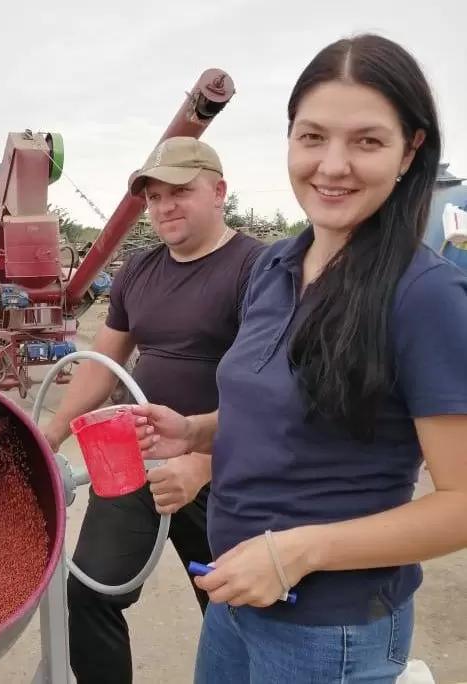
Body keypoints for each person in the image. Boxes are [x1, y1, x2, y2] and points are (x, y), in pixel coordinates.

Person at [133, 34, 467, 683]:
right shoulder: (273, 267)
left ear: (410, 151)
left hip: (328, 630)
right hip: (237, 594)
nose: (332, 165)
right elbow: (278, 413)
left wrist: (294, 553)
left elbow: (459, 501)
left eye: (365, 141)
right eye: (312, 137)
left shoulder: (423, 295)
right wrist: (197, 434)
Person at [42, 136, 264, 683]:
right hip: (133, 455)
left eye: (180, 192)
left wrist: (206, 462)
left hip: (225, 470)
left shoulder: (259, 269)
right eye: (155, 195)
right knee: (90, 592)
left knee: (235, 611)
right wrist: (50, 432)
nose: (164, 206)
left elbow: (277, 392)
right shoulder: (140, 270)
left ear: (219, 192)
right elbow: (102, 361)